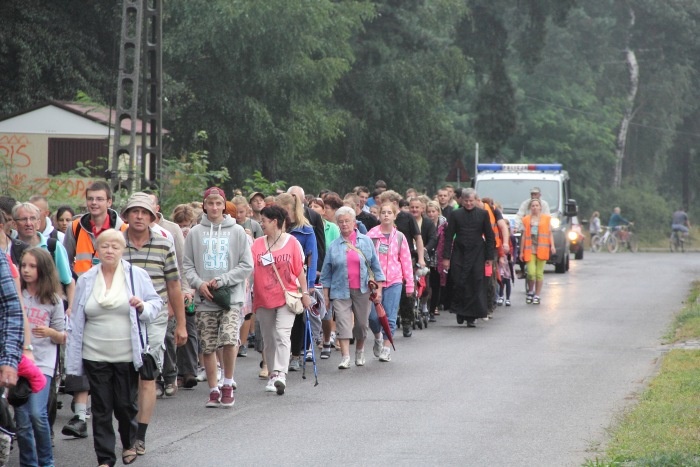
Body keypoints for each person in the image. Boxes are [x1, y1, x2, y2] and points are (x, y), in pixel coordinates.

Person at [65, 229, 162, 467]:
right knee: (101, 408)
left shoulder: (135, 275)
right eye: (105, 246)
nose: (109, 250)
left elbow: (155, 303)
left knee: (124, 405)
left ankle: (129, 443)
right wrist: (72, 358)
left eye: (115, 246)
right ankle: (105, 458)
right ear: (98, 249)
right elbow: (77, 318)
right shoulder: (87, 278)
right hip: (94, 353)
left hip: (126, 354)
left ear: (122, 250)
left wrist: (142, 307)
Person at [121, 192, 187, 457]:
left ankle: (140, 436)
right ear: (126, 216)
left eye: (144, 212)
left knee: (147, 375)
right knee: (125, 378)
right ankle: (126, 426)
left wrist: (181, 324)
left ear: (152, 217)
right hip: (120, 319)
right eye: (134, 212)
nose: (139, 216)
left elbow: (174, 285)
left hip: (156, 318)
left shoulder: (163, 244)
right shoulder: (116, 243)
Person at [62, 180, 128, 439]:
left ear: (109, 202)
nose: (94, 203)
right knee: (80, 350)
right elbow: (66, 265)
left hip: (113, 299)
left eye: (100, 199)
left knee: (111, 360)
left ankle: (119, 413)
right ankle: (80, 415)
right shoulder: (75, 227)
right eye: (91, 199)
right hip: (82, 299)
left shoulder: (121, 228)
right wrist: (68, 299)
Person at [183, 187, 253, 409]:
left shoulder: (238, 232)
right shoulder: (195, 233)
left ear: (224, 205)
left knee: (229, 339)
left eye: (218, 203)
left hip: (230, 297)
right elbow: (187, 265)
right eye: (210, 203)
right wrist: (199, 284)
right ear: (204, 205)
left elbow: (246, 265)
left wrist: (223, 280)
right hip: (205, 299)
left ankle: (228, 383)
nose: (214, 207)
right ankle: (213, 388)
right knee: (208, 345)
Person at [251, 206, 312, 395]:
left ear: (275, 222)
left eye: (264, 221)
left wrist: (305, 293)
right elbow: (249, 269)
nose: (261, 224)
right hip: (263, 297)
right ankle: (271, 373)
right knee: (269, 339)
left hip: (287, 295)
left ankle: (280, 374)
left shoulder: (292, 242)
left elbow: (299, 270)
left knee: (283, 334)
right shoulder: (257, 245)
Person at [16, 248, 65, 467]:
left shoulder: (53, 299)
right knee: (23, 420)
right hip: (16, 362)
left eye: (32, 266)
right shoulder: (17, 294)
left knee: (37, 414)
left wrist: (50, 333)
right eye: (23, 265)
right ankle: (29, 462)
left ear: (43, 269)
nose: (26, 270)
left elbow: (63, 336)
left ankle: (46, 462)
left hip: (42, 363)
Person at [320, 206, 385, 369]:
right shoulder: (334, 245)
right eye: (340, 222)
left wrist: (379, 290)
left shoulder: (366, 241)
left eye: (347, 221)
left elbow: (376, 267)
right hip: (340, 290)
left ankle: (360, 351)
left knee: (362, 324)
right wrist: (326, 296)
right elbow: (326, 273)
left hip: (363, 289)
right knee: (342, 322)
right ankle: (345, 356)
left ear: (354, 222)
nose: (344, 224)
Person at [275, 193, 317, 371]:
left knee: (298, 318)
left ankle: (296, 354)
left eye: (284, 210)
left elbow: (312, 257)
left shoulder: (305, 229)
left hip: (298, 281)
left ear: (291, 209)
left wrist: (311, 283)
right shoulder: (275, 228)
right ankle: (277, 356)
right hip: (277, 280)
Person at [366, 202, 413, 362]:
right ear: (379, 215)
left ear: (394, 215)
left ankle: (387, 347)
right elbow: (365, 259)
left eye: (389, 213)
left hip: (394, 281)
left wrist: (410, 284)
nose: (386, 215)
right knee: (372, 317)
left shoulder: (399, 237)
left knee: (390, 316)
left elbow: (406, 261)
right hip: (373, 282)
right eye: (383, 212)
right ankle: (378, 337)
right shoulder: (371, 235)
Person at [442, 188, 495, 327]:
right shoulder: (455, 214)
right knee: (459, 280)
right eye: (466, 201)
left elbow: (489, 236)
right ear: (462, 201)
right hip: (460, 251)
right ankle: (461, 312)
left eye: (471, 201)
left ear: (476, 200)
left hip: (478, 252)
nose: (469, 203)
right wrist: (446, 257)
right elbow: (449, 237)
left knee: (476, 282)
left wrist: (489, 257)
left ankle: (472, 316)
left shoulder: (483, 214)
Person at [519, 198, 555, 305]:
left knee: (539, 274)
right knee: (530, 273)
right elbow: (524, 237)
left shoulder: (546, 219)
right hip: (530, 249)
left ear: (540, 207)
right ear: (530, 208)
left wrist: (552, 246)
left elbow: (550, 233)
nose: (535, 208)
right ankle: (530, 291)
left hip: (542, 249)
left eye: (536, 205)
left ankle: (537, 295)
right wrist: (521, 251)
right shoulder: (526, 220)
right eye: (533, 206)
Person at [425, 200, 447, 318]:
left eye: (433, 211)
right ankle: (426, 307)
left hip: (439, 256)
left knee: (436, 284)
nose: (431, 214)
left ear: (438, 212)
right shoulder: (425, 223)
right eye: (429, 211)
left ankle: (434, 308)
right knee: (427, 283)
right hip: (428, 255)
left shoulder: (444, 224)